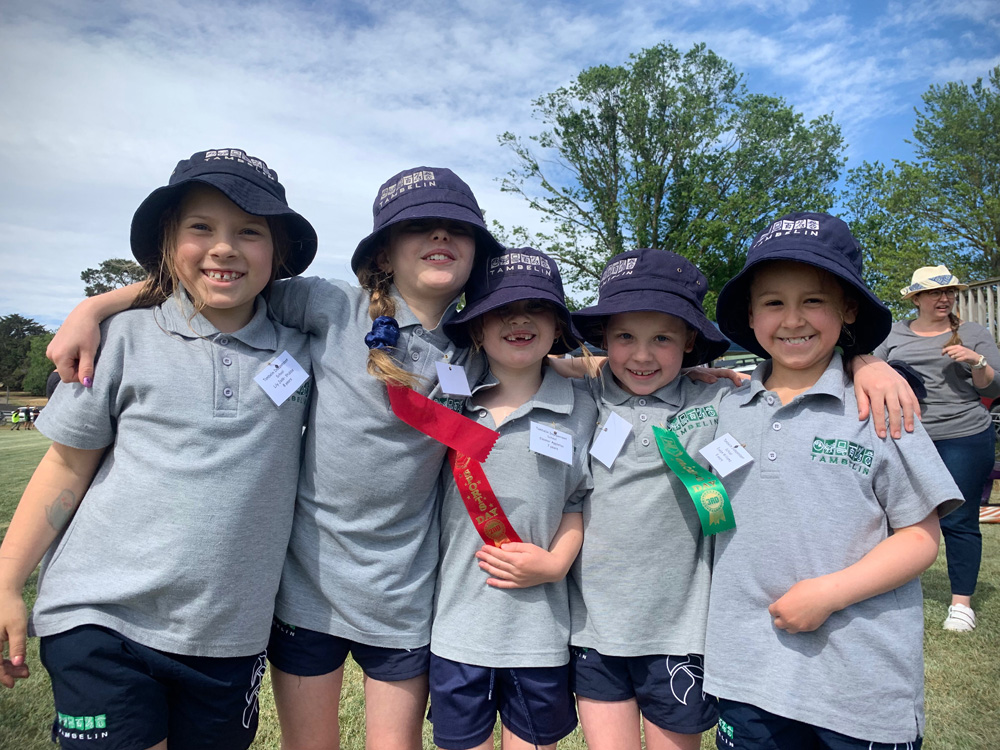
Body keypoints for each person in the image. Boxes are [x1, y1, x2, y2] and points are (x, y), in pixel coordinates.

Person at [45, 166, 506, 750]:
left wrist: (588, 367)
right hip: (306, 587)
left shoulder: (480, 346)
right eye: (419, 227)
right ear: (385, 253)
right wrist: (96, 306)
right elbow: (220, 280)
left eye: (457, 230)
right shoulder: (332, 306)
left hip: (404, 590)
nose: (440, 238)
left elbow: (545, 358)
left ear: (476, 254)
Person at [0, 148, 317, 750]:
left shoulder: (303, 350)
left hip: (229, 634)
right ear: (170, 242)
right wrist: (6, 581)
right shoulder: (121, 338)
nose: (224, 247)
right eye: (201, 227)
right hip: (100, 618)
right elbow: (67, 465)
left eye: (249, 231)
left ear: (276, 254)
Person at [706, 213, 962, 749]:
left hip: (858, 689)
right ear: (751, 315)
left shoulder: (885, 407)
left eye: (814, 301)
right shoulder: (723, 403)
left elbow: (919, 539)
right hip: (748, 677)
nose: (792, 319)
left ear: (848, 310)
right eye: (773, 302)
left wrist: (829, 593)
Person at [428, 246, 596, 750]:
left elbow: (579, 500)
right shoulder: (449, 402)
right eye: (500, 309)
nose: (519, 319)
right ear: (476, 328)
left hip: (539, 636)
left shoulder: (585, 407)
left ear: (558, 326)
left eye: (537, 307)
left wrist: (556, 563)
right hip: (457, 629)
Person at [566, 248, 732, 750]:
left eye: (662, 338)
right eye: (625, 337)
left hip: (680, 635)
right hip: (595, 630)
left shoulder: (718, 401)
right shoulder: (584, 398)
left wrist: (867, 364)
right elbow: (524, 359)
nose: (641, 355)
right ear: (602, 343)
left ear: (690, 342)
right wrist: (580, 368)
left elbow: (793, 378)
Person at [874, 265, 1000, 632]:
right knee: (890, 516)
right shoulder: (893, 333)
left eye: (949, 292)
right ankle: (884, 588)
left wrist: (977, 363)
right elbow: (866, 371)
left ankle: (961, 605)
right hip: (906, 435)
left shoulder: (974, 333)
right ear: (916, 299)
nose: (943, 298)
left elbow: (993, 389)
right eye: (933, 293)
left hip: (964, 434)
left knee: (959, 519)